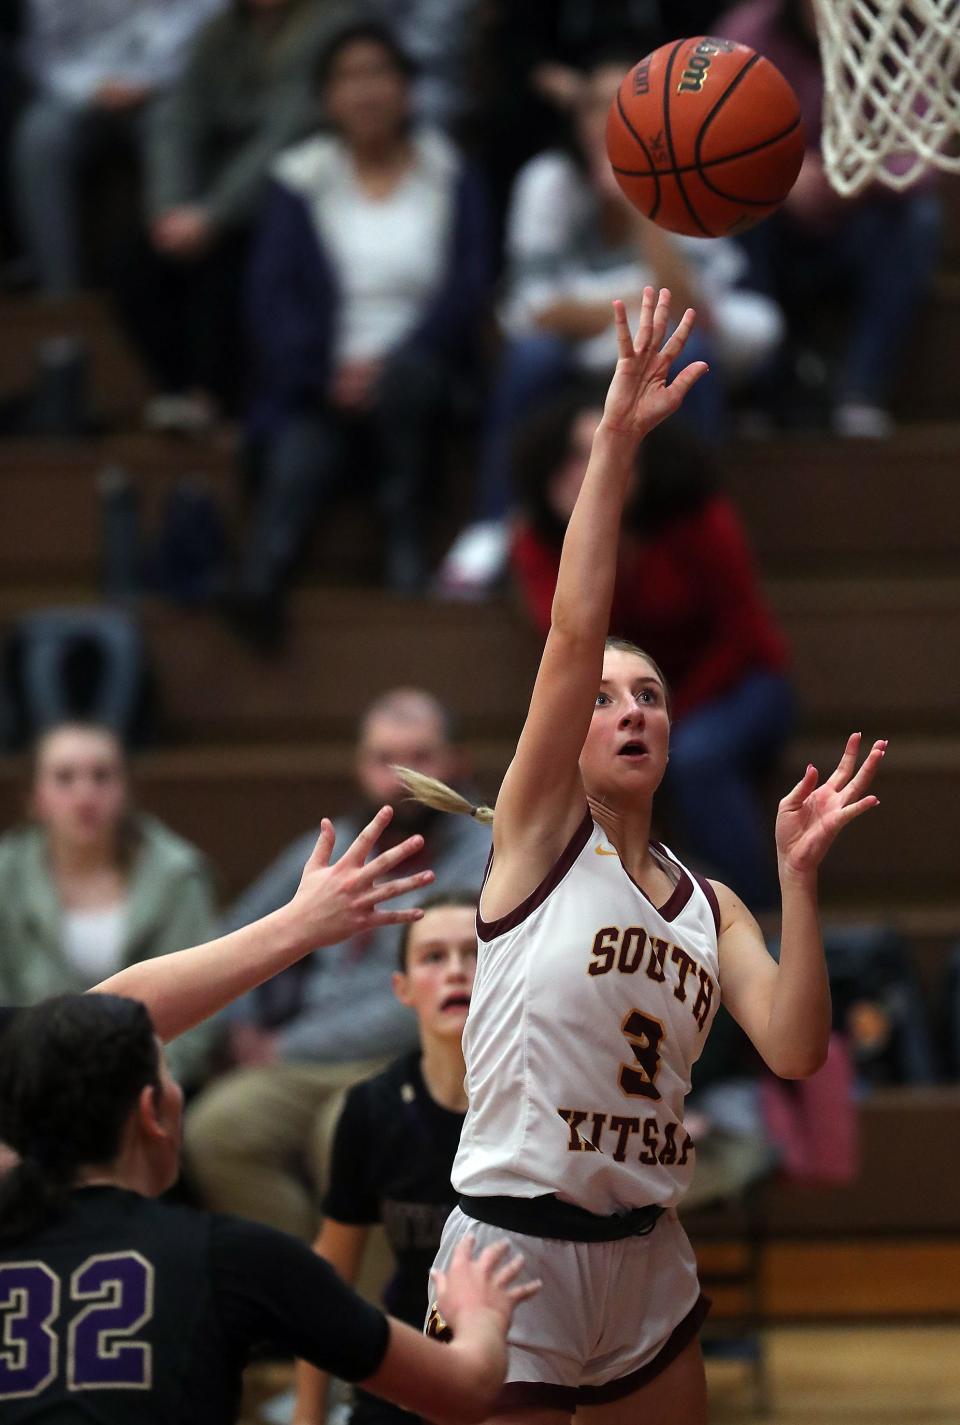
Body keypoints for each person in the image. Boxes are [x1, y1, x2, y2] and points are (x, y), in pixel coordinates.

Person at [400, 287, 885, 1422]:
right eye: (608, 697)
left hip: (650, 1253)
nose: (631, 710)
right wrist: (614, 440)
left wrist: (799, 884)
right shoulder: (535, 843)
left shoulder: (713, 904)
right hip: (517, 1248)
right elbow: (575, 628)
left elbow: (798, 1048)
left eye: (653, 697)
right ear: (564, 730)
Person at [0, 991, 539, 1425]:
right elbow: (464, 1390)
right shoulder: (234, 1255)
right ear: (150, 1111)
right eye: (167, 1076)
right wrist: (479, 1316)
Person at [436, 50, 782, 596]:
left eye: (625, 104)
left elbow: (696, 306)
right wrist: (633, 309)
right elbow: (537, 309)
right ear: (576, 120)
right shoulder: (547, 181)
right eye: (595, 105)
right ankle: (491, 523)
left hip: (655, 349)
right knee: (531, 354)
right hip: (576, 354)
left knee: (701, 350)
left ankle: (693, 531)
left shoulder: (693, 177)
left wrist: (640, 198)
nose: (609, 119)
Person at [184, 688, 491, 1237]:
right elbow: (240, 934)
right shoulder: (337, 842)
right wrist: (240, 1024)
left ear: (457, 764)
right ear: (358, 767)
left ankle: (369, 1312)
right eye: (383, 760)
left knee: (346, 1133)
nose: (401, 776)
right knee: (215, 1132)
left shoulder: (487, 858)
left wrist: (282, 1047)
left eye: (420, 758)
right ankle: (305, 1283)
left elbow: (426, 1001)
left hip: (412, 1052)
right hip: (297, 1054)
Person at [0, 801, 436, 1165]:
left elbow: (90, 1028)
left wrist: (297, 928)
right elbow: (89, 1031)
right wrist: (296, 929)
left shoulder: (173, 870)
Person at [236, 17, 491, 632]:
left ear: (407, 89)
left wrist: (396, 361)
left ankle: (405, 536)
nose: (366, 92)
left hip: (421, 369)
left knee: (407, 384)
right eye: (348, 78)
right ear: (326, 98)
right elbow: (272, 298)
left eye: (379, 74)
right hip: (325, 378)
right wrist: (325, 373)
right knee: (300, 445)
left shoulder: (448, 171)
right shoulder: (300, 178)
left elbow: (469, 285)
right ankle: (264, 569)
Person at [508, 387, 794, 910]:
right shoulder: (537, 541)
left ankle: (757, 919)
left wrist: (666, 715)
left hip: (737, 684)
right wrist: (593, 534)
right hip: (629, 700)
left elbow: (745, 636)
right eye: (576, 454)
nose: (590, 467)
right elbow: (573, 643)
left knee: (697, 756)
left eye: (609, 450)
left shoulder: (698, 517)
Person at [114, 0, 347, 429]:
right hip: (212, 191)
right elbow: (178, 118)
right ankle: (177, 389)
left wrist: (212, 215)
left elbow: (290, 129)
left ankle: (215, 395)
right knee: (134, 259)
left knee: (230, 254)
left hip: (298, 186)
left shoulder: (334, 24)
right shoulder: (218, 32)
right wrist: (169, 208)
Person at [293, 890, 478, 1425]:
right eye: (434, 957)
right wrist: (308, 1416)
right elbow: (329, 1276)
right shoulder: (372, 1109)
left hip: (521, 1381)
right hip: (405, 1378)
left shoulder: (544, 1103)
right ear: (402, 989)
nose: (456, 972)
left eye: (475, 954)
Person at [717, 0, 942, 437]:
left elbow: (923, 156)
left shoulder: (902, 36)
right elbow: (716, 136)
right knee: (732, 207)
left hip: (858, 223)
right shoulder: (751, 29)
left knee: (920, 219)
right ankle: (761, 392)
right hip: (775, 220)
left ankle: (861, 391)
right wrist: (782, 174)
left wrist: (855, 173)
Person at [0, 720, 218, 1087]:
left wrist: (135, 1085)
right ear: (35, 798)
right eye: (65, 778)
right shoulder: (5, 875)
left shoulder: (177, 876)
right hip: (27, 1086)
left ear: (126, 792)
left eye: (102, 776)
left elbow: (204, 1000)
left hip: (148, 1083)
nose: (85, 795)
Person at [9, 0, 223, 295]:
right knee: (39, 137)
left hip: (170, 86)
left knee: (172, 132)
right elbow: (45, 52)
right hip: (82, 89)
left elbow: (208, 27)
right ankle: (60, 298)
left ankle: (179, 279)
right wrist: (94, 88)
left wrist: (150, 82)